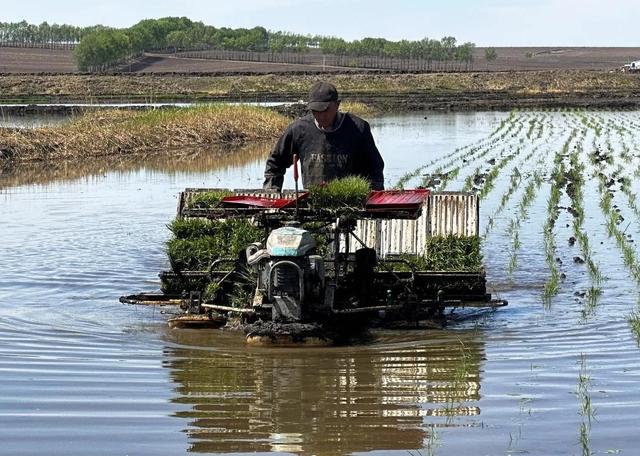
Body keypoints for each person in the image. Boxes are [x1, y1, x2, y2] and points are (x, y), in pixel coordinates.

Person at [263, 81, 385, 191]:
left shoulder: (358, 128)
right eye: (315, 111)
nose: (321, 116)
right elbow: (275, 162)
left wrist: (373, 195)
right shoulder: (299, 130)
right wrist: (272, 189)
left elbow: (374, 168)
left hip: (350, 199)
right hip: (312, 199)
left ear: (337, 105)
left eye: (325, 110)